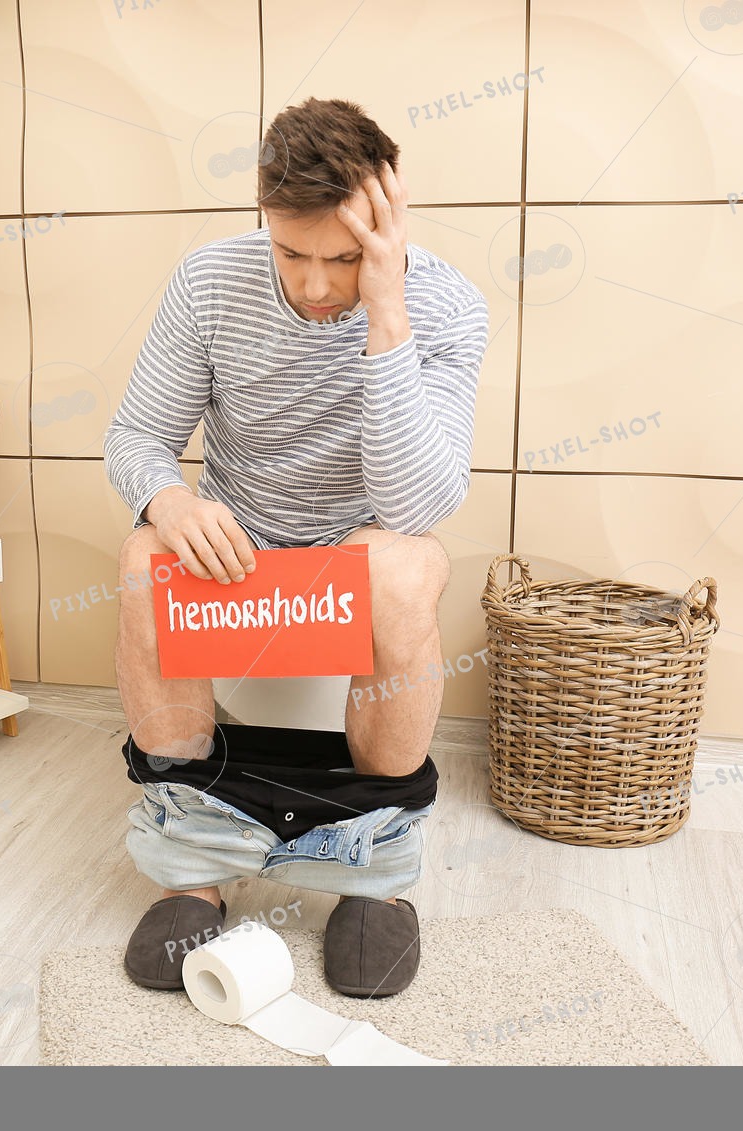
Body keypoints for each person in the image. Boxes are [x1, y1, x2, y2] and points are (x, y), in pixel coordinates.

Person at [102, 96, 489, 1000]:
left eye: (346, 260)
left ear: (387, 232)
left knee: (400, 566)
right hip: (242, 551)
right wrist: (167, 499)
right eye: (292, 254)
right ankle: (191, 870)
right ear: (264, 219)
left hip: (357, 549)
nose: (316, 288)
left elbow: (416, 503)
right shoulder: (207, 282)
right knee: (139, 560)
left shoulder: (445, 305)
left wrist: (386, 319)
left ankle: (375, 880)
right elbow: (136, 436)